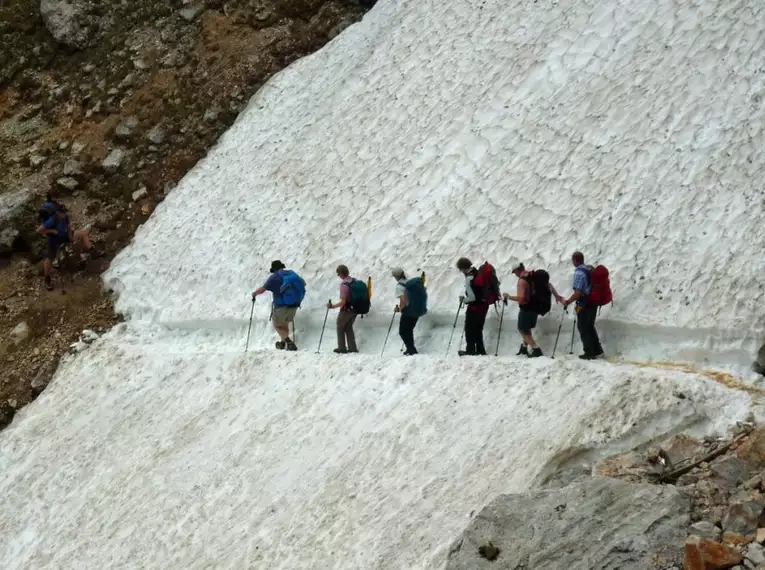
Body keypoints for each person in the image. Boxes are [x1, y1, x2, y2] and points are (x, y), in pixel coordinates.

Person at [503, 262, 564, 357]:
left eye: (514, 272)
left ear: (517, 271)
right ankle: (524, 347)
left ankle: (536, 350)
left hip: (526, 309)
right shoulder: (533, 275)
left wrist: (509, 297)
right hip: (536, 307)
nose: (515, 274)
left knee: (522, 329)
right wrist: (557, 296)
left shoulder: (522, 281)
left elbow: (522, 298)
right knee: (526, 328)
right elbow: (549, 285)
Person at [37, 204, 98, 291]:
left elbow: (69, 228)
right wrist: (51, 231)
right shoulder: (51, 220)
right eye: (62, 213)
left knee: (83, 233)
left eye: (65, 212)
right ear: (57, 212)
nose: (64, 214)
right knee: (49, 258)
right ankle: (47, 279)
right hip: (54, 241)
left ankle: (93, 252)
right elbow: (39, 230)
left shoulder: (65, 217)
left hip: (64, 235)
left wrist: (70, 240)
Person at [251, 260, 306, 351]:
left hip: (281, 306)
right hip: (294, 304)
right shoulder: (291, 273)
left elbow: (263, 289)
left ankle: (289, 342)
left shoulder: (274, 277)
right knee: (285, 324)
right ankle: (282, 343)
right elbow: (303, 283)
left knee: (277, 325)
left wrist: (254, 293)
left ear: (274, 269)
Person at [562, 251, 604, 359]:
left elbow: (578, 293)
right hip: (594, 301)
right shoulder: (589, 269)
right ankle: (597, 350)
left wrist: (568, 302)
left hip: (584, 302)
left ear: (575, 260)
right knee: (589, 326)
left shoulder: (579, 273)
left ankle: (589, 352)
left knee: (583, 326)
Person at [456, 257, 489, 356]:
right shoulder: (477, 272)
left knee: (469, 329)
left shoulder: (469, 278)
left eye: (460, 269)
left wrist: (464, 300)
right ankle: (480, 350)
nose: (461, 271)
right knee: (478, 329)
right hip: (484, 306)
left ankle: (470, 350)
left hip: (474, 308)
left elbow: (472, 298)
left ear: (462, 268)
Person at [392, 267, 426, 355]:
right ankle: (411, 349)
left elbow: (403, 300)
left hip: (408, 311)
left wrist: (399, 309)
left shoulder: (399, 286)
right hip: (417, 309)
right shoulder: (411, 281)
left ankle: (411, 350)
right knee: (409, 330)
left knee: (403, 331)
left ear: (396, 277)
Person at [328, 264, 358, 354]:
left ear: (341, 273)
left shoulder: (344, 284)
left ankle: (341, 347)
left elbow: (343, 301)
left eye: (338, 274)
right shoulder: (355, 281)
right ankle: (352, 348)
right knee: (348, 327)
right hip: (356, 308)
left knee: (340, 326)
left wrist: (332, 306)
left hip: (346, 309)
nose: (338, 276)